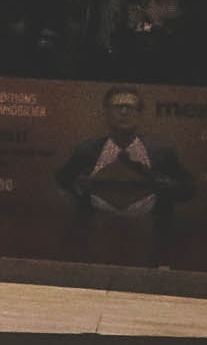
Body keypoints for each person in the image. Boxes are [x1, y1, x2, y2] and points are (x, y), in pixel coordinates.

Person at [55, 85, 196, 261]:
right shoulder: (87, 150)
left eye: (130, 107)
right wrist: (79, 185)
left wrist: (161, 185)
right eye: (118, 107)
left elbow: (189, 189)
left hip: (149, 234)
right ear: (106, 113)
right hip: (97, 232)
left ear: (139, 113)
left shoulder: (162, 152)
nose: (124, 112)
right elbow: (63, 179)